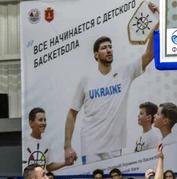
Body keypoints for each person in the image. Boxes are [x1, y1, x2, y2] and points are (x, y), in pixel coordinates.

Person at [63, 2, 159, 165]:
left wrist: (156, 24)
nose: (108, 50)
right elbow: (72, 113)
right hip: (90, 143)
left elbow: (149, 54)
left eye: (110, 47)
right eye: (104, 48)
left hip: (115, 145)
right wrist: (67, 146)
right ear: (96, 55)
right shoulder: (86, 79)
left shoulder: (125, 72)